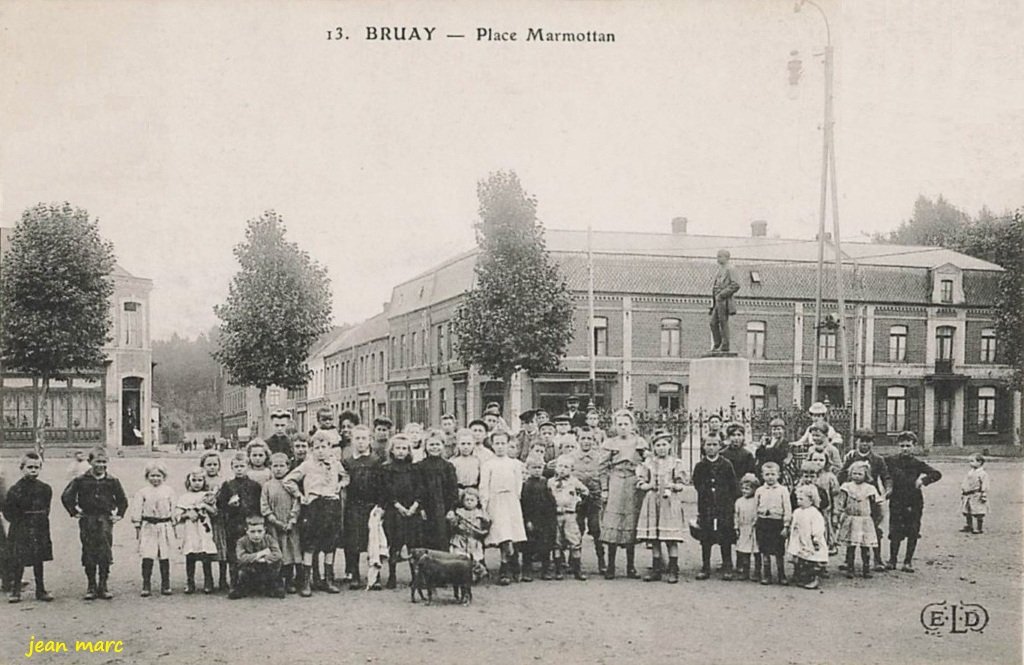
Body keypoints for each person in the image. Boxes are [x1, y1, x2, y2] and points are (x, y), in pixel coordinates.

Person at [283, 430, 350, 596]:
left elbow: (346, 477)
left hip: (331, 505)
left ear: (330, 448)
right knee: (310, 544)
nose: (320, 450)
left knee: (330, 544)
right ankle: (306, 582)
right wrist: (300, 495)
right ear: (312, 449)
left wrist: (340, 485)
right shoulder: (307, 465)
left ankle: (328, 580)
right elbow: (288, 480)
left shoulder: (335, 464)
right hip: (313, 507)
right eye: (317, 447)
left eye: (324, 447)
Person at [61, 447, 129, 600]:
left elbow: (122, 500)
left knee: (104, 551)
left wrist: (119, 515)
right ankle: (91, 585)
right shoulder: (81, 480)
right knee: (89, 550)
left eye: (104, 462)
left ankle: (103, 585)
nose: (101, 465)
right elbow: (66, 496)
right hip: (88, 519)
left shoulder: (112, 481)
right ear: (90, 462)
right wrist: (74, 511)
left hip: (105, 519)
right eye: (97, 462)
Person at [599, 409, 649, 580]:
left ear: (632, 425)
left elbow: (647, 462)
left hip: (633, 483)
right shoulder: (610, 443)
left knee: (631, 522)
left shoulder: (639, 442)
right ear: (615, 426)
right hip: (616, 482)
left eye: (626, 424)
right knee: (614, 522)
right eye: (619, 424)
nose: (622, 427)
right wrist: (605, 489)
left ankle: (630, 567)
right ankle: (611, 566)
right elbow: (602, 468)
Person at [635, 431, 687, 583]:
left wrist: (673, 485)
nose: (661, 448)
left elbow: (682, 483)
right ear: (653, 447)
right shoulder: (648, 464)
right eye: (658, 445)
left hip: (669, 502)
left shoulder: (675, 463)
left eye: (664, 444)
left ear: (670, 446)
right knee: (655, 537)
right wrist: (648, 485)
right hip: (653, 502)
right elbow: (640, 482)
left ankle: (673, 569)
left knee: (671, 538)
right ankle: (656, 569)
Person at [886, 431, 941, 572]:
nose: (905, 449)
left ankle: (907, 562)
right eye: (902, 445)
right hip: (897, 499)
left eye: (908, 446)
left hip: (914, 500)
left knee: (913, 530)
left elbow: (936, 474)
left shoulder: (917, 463)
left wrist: (923, 480)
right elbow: (878, 466)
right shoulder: (891, 460)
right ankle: (892, 560)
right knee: (895, 530)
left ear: (914, 446)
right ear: (898, 446)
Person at [837, 429, 891, 570]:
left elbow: (886, 476)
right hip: (853, 498)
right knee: (852, 527)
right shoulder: (851, 457)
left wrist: (888, 489)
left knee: (874, 528)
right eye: (862, 441)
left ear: (872, 443)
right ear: (857, 442)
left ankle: (877, 560)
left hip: (871, 498)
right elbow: (842, 474)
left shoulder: (878, 459)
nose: (865, 444)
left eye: (868, 441)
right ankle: (848, 561)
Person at [4, 453, 54, 603]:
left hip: (39, 528)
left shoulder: (45, 488)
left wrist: (39, 519)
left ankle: (41, 590)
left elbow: (46, 508)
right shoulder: (15, 490)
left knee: (38, 560)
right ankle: (16, 591)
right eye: (29, 467)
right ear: (22, 468)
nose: (33, 470)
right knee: (18, 559)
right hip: (21, 528)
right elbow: (8, 512)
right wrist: (20, 522)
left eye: (36, 467)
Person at [480, 430, 527, 586]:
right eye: (497, 443)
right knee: (503, 535)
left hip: (511, 501)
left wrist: (515, 498)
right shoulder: (488, 464)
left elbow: (518, 485)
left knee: (513, 534)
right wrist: (484, 505)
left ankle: (514, 564)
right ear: (492, 445)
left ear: (508, 445)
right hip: (496, 502)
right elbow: (484, 486)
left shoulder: (514, 464)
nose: (500, 447)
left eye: (503, 443)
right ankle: (505, 567)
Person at [691, 435, 738, 581]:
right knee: (706, 536)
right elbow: (697, 483)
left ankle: (727, 565)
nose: (711, 447)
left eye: (714, 444)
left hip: (724, 506)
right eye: (708, 444)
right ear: (704, 447)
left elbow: (732, 485)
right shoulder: (700, 466)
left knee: (725, 535)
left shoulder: (726, 464)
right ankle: (705, 567)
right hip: (706, 506)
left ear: (720, 446)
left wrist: (726, 499)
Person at [343, 424, 384, 589]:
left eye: (364, 438)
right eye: (357, 438)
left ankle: (375, 575)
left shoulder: (376, 461)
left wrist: (380, 506)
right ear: (352, 441)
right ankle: (354, 574)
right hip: (353, 506)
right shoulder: (348, 462)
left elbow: (382, 485)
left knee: (373, 540)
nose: (361, 442)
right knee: (353, 541)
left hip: (371, 506)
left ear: (370, 440)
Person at [217, 452, 264, 593]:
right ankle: (234, 583)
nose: (239, 469)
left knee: (252, 551)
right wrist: (229, 506)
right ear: (232, 467)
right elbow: (221, 505)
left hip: (250, 524)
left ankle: (252, 583)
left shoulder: (255, 485)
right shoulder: (228, 485)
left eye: (242, 466)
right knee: (233, 553)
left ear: (248, 467)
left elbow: (259, 505)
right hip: (233, 524)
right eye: (236, 466)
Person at [130, 462, 177, 597]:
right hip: (148, 526)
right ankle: (146, 584)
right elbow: (137, 508)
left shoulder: (169, 491)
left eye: (159, 475)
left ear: (164, 476)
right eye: (152, 475)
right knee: (147, 555)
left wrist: (174, 523)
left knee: (164, 556)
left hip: (164, 525)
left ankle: (166, 584)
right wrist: (137, 525)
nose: (155, 478)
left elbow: (173, 508)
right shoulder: (142, 492)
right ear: (147, 476)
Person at [382, 435, 421, 589]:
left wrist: (415, 506)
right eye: (398, 448)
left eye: (404, 448)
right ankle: (392, 576)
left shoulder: (414, 469)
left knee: (413, 545)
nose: (401, 451)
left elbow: (420, 488)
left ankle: (415, 576)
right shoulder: (386, 469)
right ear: (391, 450)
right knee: (395, 544)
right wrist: (397, 505)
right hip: (395, 511)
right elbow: (386, 490)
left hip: (412, 511)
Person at [261, 453, 301, 594]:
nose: (278, 469)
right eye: (275, 466)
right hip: (274, 525)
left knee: (290, 552)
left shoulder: (291, 484)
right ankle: (277, 582)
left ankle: (290, 581)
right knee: (276, 552)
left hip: (290, 526)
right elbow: (264, 505)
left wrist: (292, 520)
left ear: (288, 467)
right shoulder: (267, 486)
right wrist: (274, 520)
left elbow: (298, 501)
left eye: (281, 466)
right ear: (270, 467)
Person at [835, 460, 880, 579]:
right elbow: (841, 502)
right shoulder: (846, 487)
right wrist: (838, 514)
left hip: (864, 520)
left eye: (860, 474)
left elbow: (875, 504)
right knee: (851, 546)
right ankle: (850, 568)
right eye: (854, 473)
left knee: (865, 545)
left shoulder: (869, 488)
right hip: (851, 519)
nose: (857, 476)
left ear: (866, 475)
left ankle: (866, 568)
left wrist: (876, 518)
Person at [414, 434, 459, 552]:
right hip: (426, 508)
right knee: (426, 539)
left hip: (443, 507)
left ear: (443, 446)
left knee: (442, 538)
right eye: (431, 444)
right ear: (425, 446)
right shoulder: (419, 466)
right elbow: (417, 488)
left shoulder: (448, 466)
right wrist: (421, 508)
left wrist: (451, 509)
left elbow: (453, 489)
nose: (434, 447)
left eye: (437, 444)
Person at [176, 469, 218, 594]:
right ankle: (190, 582)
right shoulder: (184, 497)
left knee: (206, 556)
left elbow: (215, 512)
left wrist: (205, 506)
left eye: (200, 480)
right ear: (188, 482)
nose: (197, 483)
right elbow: (177, 515)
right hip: (191, 530)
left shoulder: (207, 496)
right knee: (190, 556)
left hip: (203, 529)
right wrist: (187, 514)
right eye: (194, 480)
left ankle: (208, 582)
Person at [549, 456, 590, 581]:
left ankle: (577, 570)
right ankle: (558, 570)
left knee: (574, 540)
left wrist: (578, 501)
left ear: (571, 469)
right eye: (560, 466)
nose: (562, 469)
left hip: (570, 515)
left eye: (566, 467)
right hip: (556, 515)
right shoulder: (550, 482)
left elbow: (585, 491)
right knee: (557, 542)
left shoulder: (574, 481)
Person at [572, 427, 605, 574]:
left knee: (596, 529)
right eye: (583, 438)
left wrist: (604, 491)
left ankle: (602, 561)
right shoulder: (571, 457)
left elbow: (604, 475)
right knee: (577, 529)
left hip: (595, 498)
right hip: (577, 499)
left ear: (594, 440)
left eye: (589, 439)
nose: (586, 442)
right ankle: (574, 562)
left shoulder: (599, 458)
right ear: (578, 440)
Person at [520, 455, 557, 582]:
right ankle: (527, 570)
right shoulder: (526, 485)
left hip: (545, 519)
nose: (537, 470)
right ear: (528, 469)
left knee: (545, 545)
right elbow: (524, 504)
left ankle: (545, 570)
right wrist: (528, 520)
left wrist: (552, 517)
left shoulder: (545, 482)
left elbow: (551, 501)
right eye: (534, 468)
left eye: (539, 467)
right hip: (532, 519)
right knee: (529, 546)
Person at [754, 461, 791, 585]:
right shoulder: (759, 490)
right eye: (767, 474)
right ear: (762, 475)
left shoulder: (783, 490)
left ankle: (781, 575)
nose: (770, 477)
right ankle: (767, 575)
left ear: (778, 475)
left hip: (777, 523)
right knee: (764, 550)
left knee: (778, 551)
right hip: (763, 522)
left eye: (773, 474)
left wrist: (786, 526)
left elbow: (787, 508)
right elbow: (755, 507)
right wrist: (755, 521)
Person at [230, 516, 284, 599]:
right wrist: (261, 553)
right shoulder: (241, 541)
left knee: (278, 563)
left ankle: (272, 586)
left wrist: (263, 559)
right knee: (238, 565)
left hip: (265, 569)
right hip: (249, 572)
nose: (256, 535)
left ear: (264, 530)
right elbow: (241, 557)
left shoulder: (269, 539)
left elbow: (278, 554)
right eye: (252, 531)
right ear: (246, 531)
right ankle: (239, 587)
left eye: (259, 531)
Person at [199, 452, 230, 592]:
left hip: (220, 520)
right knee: (206, 549)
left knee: (222, 548)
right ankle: (208, 580)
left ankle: (223, 579)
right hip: (205, 520)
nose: (212, 467)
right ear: (203, 466)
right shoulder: (200, 480)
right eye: (209, 465)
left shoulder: (223, 481)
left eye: (215, 465)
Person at [788, 484, 828, 590]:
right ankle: (802, 578)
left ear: (811, 500)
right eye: (798, 499)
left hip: (810, 539)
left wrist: (815, 537)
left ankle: (813, 579)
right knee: (802, 559)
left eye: (801, 499)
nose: (799, 501)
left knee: (812, 560)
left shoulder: (814, 513)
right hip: (800, 539)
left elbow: (818, 527)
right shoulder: (797, 512)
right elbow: (794, 524)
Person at [448, 488, 490, 579]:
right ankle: (461, 575)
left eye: (472, 500)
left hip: (473, 539)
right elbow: (454, 525)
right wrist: (453, 521)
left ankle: (475, 573)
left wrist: (481, 532)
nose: (469, 502)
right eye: (467, 500)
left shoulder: (480, 513)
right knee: (460, 557)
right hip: (460, 539)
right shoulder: (459, 512)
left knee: (475, 557)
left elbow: (486, 526)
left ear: (477, 501)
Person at [709, 248, 741, 353]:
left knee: (723, 322)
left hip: (724, 300)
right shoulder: (719, 270)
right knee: (713, 323)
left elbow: (736, 284)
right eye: (717, 256)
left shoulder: (731, 269)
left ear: (726, 257)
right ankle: (717, 344)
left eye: (720, 256)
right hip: (717, 301)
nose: (717, 258)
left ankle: (725, 345)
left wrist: (722, 295)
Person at [733, 473, 760, 582]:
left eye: (748, 489)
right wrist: (736, 526)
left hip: (754, 528)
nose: (744, 491)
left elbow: (759, 513)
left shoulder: (757, 501)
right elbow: (736, 514)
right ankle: (745, 571)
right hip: (743, 528)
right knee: (744, 550)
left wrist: (756, 522)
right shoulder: (739, 501)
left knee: (757, 550)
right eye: (743, 488)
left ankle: (757, 572)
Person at [960, 453, 990, 535]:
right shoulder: (970, 472)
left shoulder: (982, 473)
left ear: (979, 462)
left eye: (972, 461)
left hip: (976, 494)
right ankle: (969, 525)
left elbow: (985, 484)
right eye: (970, 461)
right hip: (968, 494)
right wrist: (963, 490)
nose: (970, 463)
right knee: (967, 510)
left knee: (978, 511)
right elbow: (965, 482)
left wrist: (984, 494)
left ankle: (979, 527)